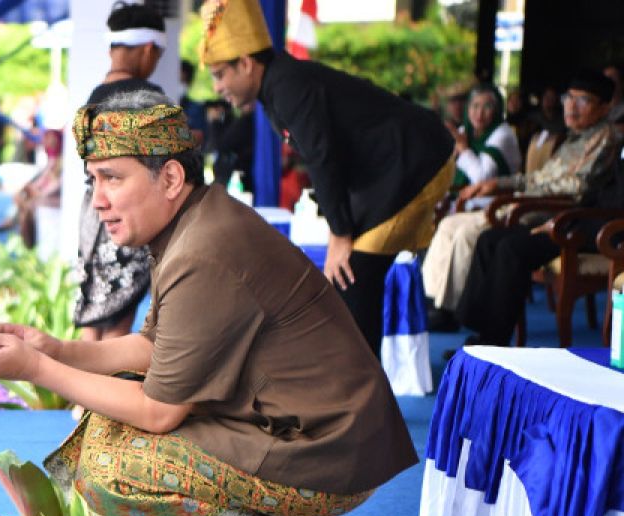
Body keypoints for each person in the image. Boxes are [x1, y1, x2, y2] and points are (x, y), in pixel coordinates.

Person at [0, 89, 416, 516]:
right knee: (103, 424)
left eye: (113, 177)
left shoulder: (204, 247)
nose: (98, 199)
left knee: (115, 464)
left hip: (326, 448)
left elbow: (160, 410)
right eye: (93, 181)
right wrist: (57, 349)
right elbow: (156, 349)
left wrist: (37, 369)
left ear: (171, 179)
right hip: (305, 427)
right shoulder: (196, 223)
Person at [200, 0, 455, 356]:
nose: (217, 88)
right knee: (352, 280)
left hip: (415, 160)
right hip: (392, 168)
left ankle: (364, 396)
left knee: (353, 274)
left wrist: (340, 233)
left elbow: (322, 156)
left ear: (245, 63)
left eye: (219, 75)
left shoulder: (287, 84)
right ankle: (358, 388)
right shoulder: (278, 84)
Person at [422, 70, 618, 323]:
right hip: (536, 206)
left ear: (604, 108)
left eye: (583, 100)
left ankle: (457, 316)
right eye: (569, 97)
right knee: (480, 236)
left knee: (497, 243)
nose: (571, 106)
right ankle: (446, 308)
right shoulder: (574, 139)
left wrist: (518, 196)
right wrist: (499, 184)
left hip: (565, 218)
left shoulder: (606, 138)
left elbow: (578, 187)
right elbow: (537, 178)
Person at [455, 134, 624, 348]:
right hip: (581, 219)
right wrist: (558, 220)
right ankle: (478, 329)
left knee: (512, 249)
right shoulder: (616, 145)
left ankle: (493, 341)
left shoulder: (606, 140)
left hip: (602, 231)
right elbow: (596, 195)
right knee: (489, 239)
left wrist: (564, 224)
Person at [73, 1, 168, 343]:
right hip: (128, 212)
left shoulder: (93, 100)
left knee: (92, 310)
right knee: (117, 319)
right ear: (147, 49)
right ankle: (98, 396)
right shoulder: (150, 99)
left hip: (92, 215)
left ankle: (80, 396)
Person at [450, 84, 521, 193]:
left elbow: (482, 179)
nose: (479, 113)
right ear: (468, 109)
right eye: (475, 106)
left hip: (494, 203)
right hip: (464, 199)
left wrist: (464, 149)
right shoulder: (465, 130)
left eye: (487, 106)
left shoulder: (503, 134)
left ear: (497, 110)